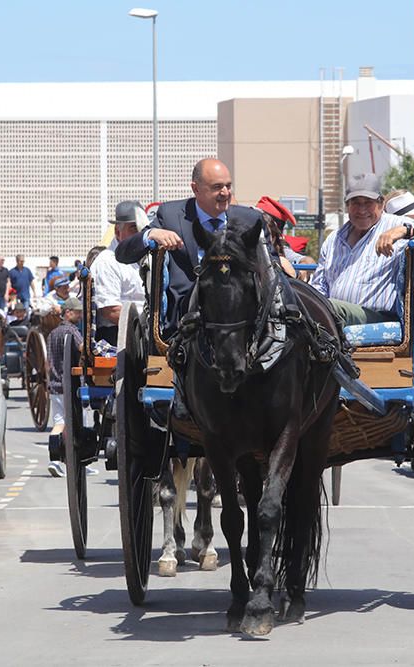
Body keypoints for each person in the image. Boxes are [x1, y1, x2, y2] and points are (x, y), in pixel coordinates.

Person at [115, 158, 264, 334]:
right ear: (196, 189)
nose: (225, 193)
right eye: (217, 187)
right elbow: (122, 253)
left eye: (228, 186)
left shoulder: (250, 219)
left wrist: (279, 260)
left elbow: (270, 267)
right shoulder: (170, 216)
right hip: (186, 321)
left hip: (241, 319)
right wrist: (151, 234)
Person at [310, 173, 414, 326]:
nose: (362, 210)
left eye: (368, 203)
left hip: (377, 319)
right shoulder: (333, 239)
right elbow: (319, 285)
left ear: (381, 204)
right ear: (348, 206)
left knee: (329, 309)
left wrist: (406, 231)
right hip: (333, 320)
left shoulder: (396, 225)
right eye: (356, 203)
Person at [91, 201, 148, 345]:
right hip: (119, 336)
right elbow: (110, 311)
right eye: (134, 228)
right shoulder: (107, 261)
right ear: (117, 232)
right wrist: (145, 326)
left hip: (145, 330)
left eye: (143, 228)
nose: (140, 233)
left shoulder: (146, 258)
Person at [46, 297, 83, 478]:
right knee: (74, 424)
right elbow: (82, 348)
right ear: (68, 312)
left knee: (59, 423)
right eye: (78, 312)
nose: (80, 316)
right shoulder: (71, 331)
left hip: (55, 384)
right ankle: (76, 461)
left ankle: (54, 460)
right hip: (70, 385)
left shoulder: (52, 334)